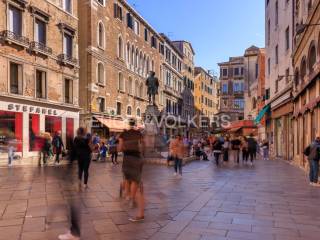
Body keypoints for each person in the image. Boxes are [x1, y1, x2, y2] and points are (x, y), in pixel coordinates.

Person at [118, 119, 145, 222]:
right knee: (135, 182)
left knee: (129, 180)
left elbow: (119, 148)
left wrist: (124, 147)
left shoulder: (124, 134)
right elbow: (142, 146)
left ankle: (131, 198)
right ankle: (132, 199)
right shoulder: (139, 133)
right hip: (137, 159)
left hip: (128, 159)